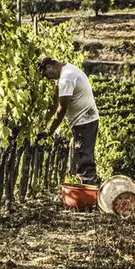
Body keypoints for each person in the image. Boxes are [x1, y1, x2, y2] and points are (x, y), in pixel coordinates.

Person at [37, 57, 100, 185]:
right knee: (82, 156)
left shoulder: (67, 78)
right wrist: (42, 124)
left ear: (49, 66)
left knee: (83, 158)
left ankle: (88, 194)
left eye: (46, 74)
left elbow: (61, 109)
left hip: (84, 122)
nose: (47, 78)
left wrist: (49, 131)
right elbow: (54, 105)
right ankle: (89, 189)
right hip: (86, 120)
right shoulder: (66, 72)